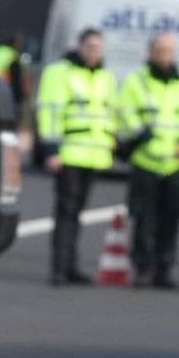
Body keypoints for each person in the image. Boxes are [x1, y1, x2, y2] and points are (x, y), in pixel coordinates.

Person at [118, 33, 179, 288]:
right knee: (143, 217)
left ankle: (165, 266)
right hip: (146, 160)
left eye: (169, 51)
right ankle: (143, 267)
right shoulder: (136, 81)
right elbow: (124, 113)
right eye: (160, 50)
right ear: (150, 52)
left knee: (172, 217)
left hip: (176, 163)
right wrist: (141, 134)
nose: (164, 56)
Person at [34, 28, 117, 285]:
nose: (94, 52)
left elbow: (110, 114)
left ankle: (71, 266)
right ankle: (59, 267)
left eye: (98, 47)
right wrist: (51, 150)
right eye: (90, 46)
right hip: (69, 154)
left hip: (94, 156)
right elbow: (49, 112)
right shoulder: (60, 73)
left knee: (78, 214)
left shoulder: (105, 77)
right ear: (80, 47)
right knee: (66, 213)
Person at [0, 30, 30, 109]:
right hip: (8, 94)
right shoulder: (12, 56)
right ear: (15, 43)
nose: (22, 45)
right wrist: (18, 99)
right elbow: (16, 80)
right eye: (21, 42)